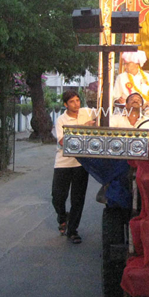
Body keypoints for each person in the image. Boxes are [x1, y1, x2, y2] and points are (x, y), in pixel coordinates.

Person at [52, 90, 96, 244]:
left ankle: (73, 231)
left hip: (81, 162)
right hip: (63, 162)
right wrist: (83, 128)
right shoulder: (61, 120)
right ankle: (62, 217)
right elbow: (64, 141)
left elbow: (104, 114)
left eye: (77, 100)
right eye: (72, 102)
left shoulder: (87, 112)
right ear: (65, 105)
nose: (76, 104)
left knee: (78, 199)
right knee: (58, 197)